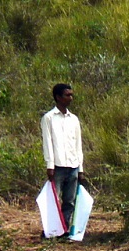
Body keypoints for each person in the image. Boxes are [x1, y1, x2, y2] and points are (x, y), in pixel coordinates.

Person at [41, 83, 85, 235]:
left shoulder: (74, 119)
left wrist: (80, 168)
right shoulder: (48, 118)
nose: (71, 98)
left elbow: (78, 144)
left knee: (70, 201)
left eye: (71, 95)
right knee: (53, 201)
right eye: (67, 95)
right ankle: (51, 230)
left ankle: (65, 229)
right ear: (58, 97)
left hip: (73, 165)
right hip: (58, 166)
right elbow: (48, 143)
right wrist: (50, 165)